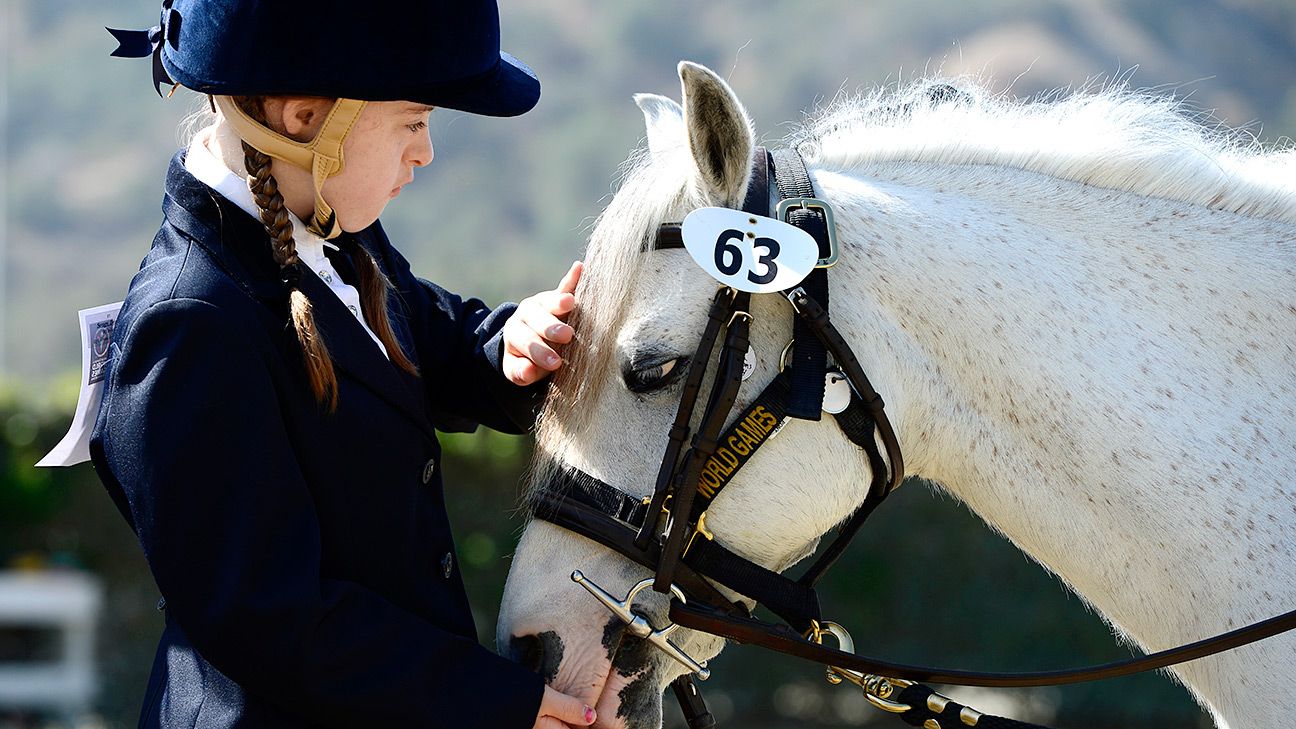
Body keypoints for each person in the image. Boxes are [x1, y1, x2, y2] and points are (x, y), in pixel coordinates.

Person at [90, 2, 593, 727]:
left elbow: (428, 336)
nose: (425, 152)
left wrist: (512, 341)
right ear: (303, 119)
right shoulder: (191, 324)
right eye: (414, 122)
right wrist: (487, 701)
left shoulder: (331, 231)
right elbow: (270, 614)